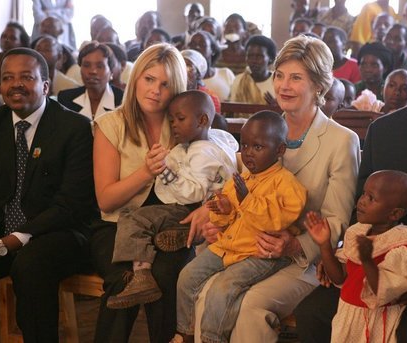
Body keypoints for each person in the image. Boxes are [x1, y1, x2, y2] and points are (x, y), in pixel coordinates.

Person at [296, 28, 407, 343]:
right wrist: (342, 252)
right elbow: (361, 205)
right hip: (370, 269)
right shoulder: (384, 129)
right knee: (312, 313)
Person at [187, 35, 360, 343]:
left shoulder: (341, 141)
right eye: (279, 75)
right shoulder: (260, 130)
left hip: (302, 260)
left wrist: (295, 245)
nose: (283, 86)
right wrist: (216, 218)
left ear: (319, 86)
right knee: (206, 293)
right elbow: (237, 195)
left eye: (296, 78)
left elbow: (337, 222)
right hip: (244, 248)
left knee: (251, 304)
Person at [0, 47, 97, 341]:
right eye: (8, 78)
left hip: (58, 234)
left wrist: (4, 243)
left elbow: (69, 206)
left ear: (45, 86)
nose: (16, 84)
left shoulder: (74, 128)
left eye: (26, 77)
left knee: (30, 265)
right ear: (0, 87)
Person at [174, 111, 307, 343]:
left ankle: (211, 339)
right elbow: (225, 220)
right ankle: (185, 331)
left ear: (280, 150)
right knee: (187, 276)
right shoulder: (241, 179)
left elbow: (274, 222)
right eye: (244, 145)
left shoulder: (288, 185)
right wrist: (223, 211)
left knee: (221, 288)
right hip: (228, 247)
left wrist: (246, 200)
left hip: (259, 253)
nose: (248, 153)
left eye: (258, 147)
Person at [90, 43, 191, 343]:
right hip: (115, 225)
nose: (156, 90)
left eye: (165, 84)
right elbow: (106, 200)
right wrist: (145, 172)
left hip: (169, 225)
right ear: (135, 79)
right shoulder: (111, 125)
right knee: (126, 279)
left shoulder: (184, 127)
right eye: (149, 79)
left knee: (164, 275)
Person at [106, 90, 237, 309]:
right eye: (171, 120)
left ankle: (142, 274)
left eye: (180, 119)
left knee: (133, 219)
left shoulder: (202, 153)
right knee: (151, 224)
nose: (174, 125)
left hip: (189, 208)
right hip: (193, 210)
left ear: (203, 120)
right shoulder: (212, 140)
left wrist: (163, 170)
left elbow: (193, 192)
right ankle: (182, 233)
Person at [306, 170, 407, 342]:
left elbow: (384, 292)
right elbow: (339, 278)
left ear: (394, 214)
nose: (362, 200)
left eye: (371, 198)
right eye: (364, 193)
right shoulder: (357, 232)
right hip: (348, 313)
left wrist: (367, 260)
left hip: (374, 319)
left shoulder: (401, 245)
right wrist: (324, 244)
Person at [58, 42, 123, 122]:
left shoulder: (123, 101)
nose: (93, 71)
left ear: (111, 72)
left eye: (99, 66)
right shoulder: (66, 98)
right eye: (86, 65)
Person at [230, 35, 277, 110]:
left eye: (259, 56)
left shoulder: (277, 82)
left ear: (270, 59)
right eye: (250, 56)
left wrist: (277, 108)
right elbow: (231, 110)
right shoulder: (239, 80)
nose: (254, 61)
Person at [188, 30, 235, 102]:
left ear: (212, 50)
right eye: (192, 44)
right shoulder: (185, 78)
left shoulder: (225, 73)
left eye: (202, 44)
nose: (196, 47)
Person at [0, 22, 30, 87]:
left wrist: (0, 64)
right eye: (4, 36)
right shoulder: (1, 57)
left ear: (22, 43)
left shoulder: (25, 63)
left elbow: (1, 87)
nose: (6, 40)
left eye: (13, 38)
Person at [181, 49, 221, 114]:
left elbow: (214, 122)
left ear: (198, 74)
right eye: (180, 65)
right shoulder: (171, 92)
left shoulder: (210, 98)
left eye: (188, 66)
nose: (183, 70)